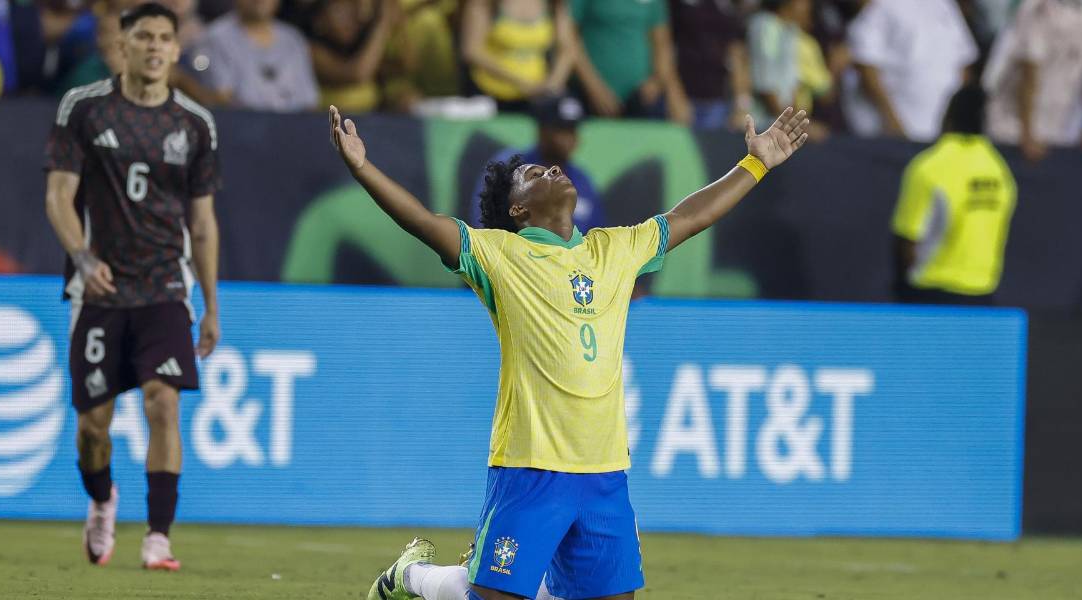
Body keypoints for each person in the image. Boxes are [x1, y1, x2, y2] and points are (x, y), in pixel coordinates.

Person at [327, 99, 809, 598]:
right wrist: (363, 168)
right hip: (531, 466)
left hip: (603, 473)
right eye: (535, 173)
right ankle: (411, 578)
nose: (553, 168)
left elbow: (689, 217)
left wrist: (755, 163)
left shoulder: (613, 249)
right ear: (518, 209)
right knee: (493, 596)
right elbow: (423, 222)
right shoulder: (499, 254)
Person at [43, 2, 221, 570]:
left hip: (167, 285)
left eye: (164, 38)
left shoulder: (195, 124)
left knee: (162, 402)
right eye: (142, 36)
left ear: (175, 48)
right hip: (98, 289)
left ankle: (158, 537)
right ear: (123, 44)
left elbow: (203, 223)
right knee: (94, 427)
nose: (153, 47)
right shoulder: (85, 109)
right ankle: (101, 501)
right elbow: (58, 197)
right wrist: (81, 255)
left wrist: (212, 304)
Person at [892, 85, 1017, 306]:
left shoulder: (928, 166)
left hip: (931, 293)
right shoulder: (1000, 170)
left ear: (948, 116)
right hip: (983, 292)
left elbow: (907, 238)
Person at [982, 0, 1082, 170]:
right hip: (1011, 128)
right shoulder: (1036, 7)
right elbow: (1029, 73)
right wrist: (1027, 132)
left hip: (1061, 129)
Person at [842, 0, 977, 142]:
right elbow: (866, 66)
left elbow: (964, 60)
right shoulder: (880, 5)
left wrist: (957, 120)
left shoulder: (944, 4)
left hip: (943, 135)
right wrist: (892, 123)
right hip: (898, 135)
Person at [470, 95, 604, 233]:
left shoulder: (583, 181)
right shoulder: (510, 167)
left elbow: (595, 233)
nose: (569, 137)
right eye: (561, 128)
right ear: (542, 130)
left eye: (573, 129)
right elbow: (484, 220)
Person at [569, 0, 691, 123]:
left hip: (640, 98)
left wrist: (657, 82)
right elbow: (570, 38)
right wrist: (593, 87)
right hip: (589, 95)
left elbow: (662, 44)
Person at [191, 0, 319, 112]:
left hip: (295, 129)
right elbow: (221, 100)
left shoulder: (294, 39)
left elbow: (309, 102)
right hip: (243, 130)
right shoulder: (215, 38)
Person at [460, 0, 575, 112]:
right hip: (489, 96)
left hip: (537, 98)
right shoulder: (484, 4)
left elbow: (567, 48)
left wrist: (554, 83)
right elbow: (472, 51)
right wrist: (523, 84)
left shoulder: (554, 4)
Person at [668, 0, 751, 131]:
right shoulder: (678, 6)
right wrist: (674, 95)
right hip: (683, 96)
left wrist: (742, 105)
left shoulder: (728, 8)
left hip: (717, 102)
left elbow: (737, 56)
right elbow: (664, 47)